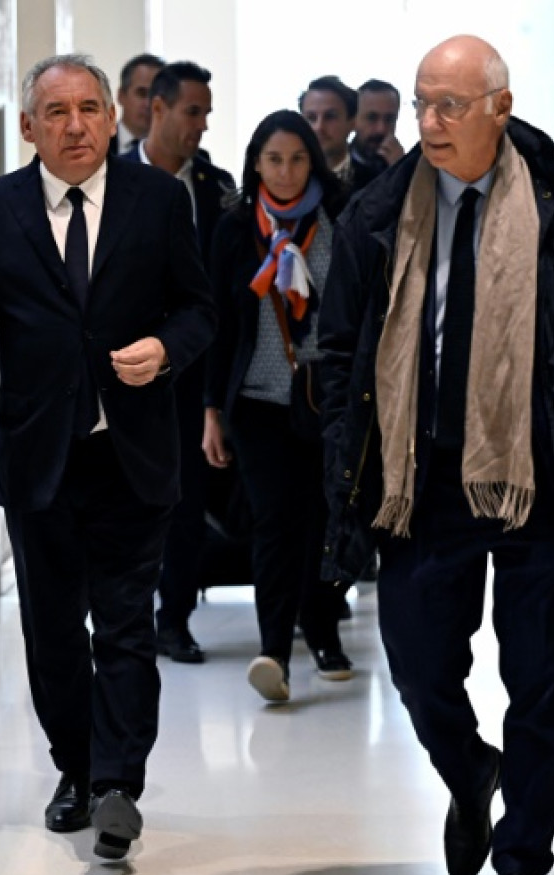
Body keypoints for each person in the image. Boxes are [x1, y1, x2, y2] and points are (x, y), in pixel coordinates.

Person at [317, 36, 554, 875]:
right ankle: (469, 770)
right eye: (422, 103)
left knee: (540, 681)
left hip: (540, 475)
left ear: (500, 105)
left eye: (450, 105)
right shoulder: (380, 211)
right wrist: (348, 462)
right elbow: (340, 351)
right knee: (419, 670)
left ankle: (522, 863)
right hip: (418, 479)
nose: (429, 122)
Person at [0, 54, 215, 863]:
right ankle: (76, 770)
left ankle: (119, 785)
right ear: (29, 128)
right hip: (38, 458)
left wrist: (165, 348)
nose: (78, 124)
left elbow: (200, 309)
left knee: (126, 626)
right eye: (57, 112)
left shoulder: (159, 200)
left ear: (112, 118)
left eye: (91, 108)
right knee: (54, 634)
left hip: (133, 453)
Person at [203, 109, 354, 705]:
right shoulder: (236, 227)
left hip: (327, 399)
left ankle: (322, 628)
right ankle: (274, 650)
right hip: (258, 401)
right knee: (274, 522)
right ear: (255, 165)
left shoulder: (341, 217)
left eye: (296, 159)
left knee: (326, 519)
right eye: (273, 160)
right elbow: (215, 323)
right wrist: (211, 409)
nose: (286, 172)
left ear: (312, 161)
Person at [125, 61, 237, 664]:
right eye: (193, 111)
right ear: (157, 109)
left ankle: (175, 619)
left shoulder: (215, 189)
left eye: (207, 113)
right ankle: (128, 618)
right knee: (128, 501)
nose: (201, 124)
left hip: (195, 371)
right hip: (129, 368)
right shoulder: (112, 182)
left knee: (187, 502)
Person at [299, 75, 379, 190]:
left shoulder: (375, 182)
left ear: (352, 123)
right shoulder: (288, 178)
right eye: (311, 118)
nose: (318, 127)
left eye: (330, 117)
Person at [351, 79, 406, 191]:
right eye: (372, 118)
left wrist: (403, 170)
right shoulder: (337, 168)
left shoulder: (406, 166)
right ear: (354, 120)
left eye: (389, 119)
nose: (381, 129)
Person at [113, 53, 164, 156]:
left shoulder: (176, 155)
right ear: (121, 95)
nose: (149, 104)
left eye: (156, 96)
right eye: (142, 93)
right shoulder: (98, 144)